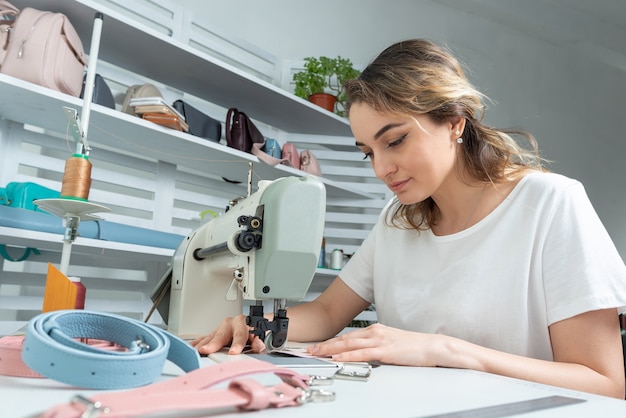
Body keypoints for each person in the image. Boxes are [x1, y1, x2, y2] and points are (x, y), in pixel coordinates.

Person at [192, 38, 626, 399]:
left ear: (455, 121)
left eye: (395, 141)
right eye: (369, 153)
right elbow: (326, 313)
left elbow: (606, 382)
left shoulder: (550, 204)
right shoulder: (397, 219)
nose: (382, 168)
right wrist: (257, 328)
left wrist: (444, 349)